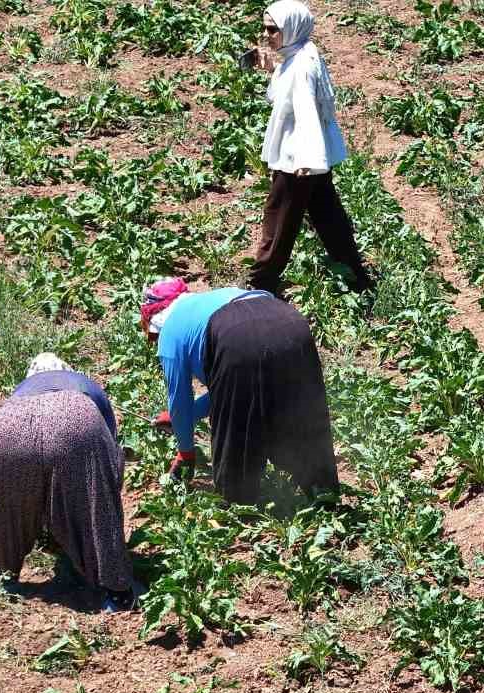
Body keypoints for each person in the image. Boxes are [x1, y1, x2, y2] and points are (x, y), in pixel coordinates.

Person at [140, 277, 338, 506]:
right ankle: (322, 491)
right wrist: (185, 416)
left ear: (154, 317)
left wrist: (185, 451)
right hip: (290, 321)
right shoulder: (212, 299)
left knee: (237, 426)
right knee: (299, 408)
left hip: (235, 334)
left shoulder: (170, 331)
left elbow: (180, 401)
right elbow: (226, 389)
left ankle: (238, 501)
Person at [0, 354, 136, 614]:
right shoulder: (85, 385)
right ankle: (117, 592)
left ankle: (3, 568)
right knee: (97, 497)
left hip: (8, 424)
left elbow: (36, 466)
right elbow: (108, 455)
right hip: (76, 417)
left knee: (7, 500)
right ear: (67, 370)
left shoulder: (21, 390)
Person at [248, 0, 373, 296]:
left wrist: (306, 159)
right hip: (310, 157)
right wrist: (272, 69)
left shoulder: (302, 66)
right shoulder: (302, 53)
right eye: (265, 28)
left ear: (291, 28)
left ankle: (260, 282)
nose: (266, 35)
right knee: (328, 216)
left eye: (272, 30)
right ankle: (356, 276)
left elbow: (307, 111)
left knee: (279, 219)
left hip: (298, 158)